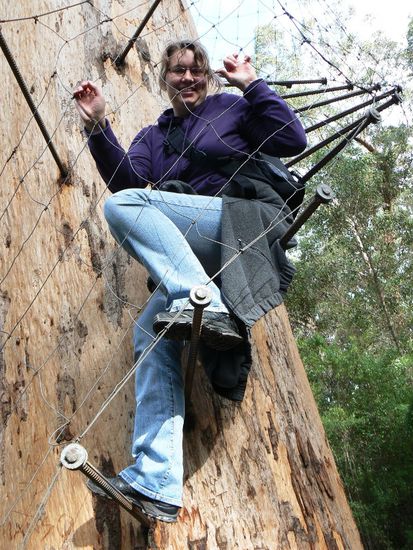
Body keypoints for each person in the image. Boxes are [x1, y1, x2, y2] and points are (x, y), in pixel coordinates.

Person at [73, 39, 307, 523]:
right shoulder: (153, 137)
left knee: (123, 208)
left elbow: (292, 140)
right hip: (194, 247)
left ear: (209, 77)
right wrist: (98, 126)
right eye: (178, 70)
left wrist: (252, 84)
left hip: (241, 222)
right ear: (164, 78)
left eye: (197, 70)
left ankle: (207, 304)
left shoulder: (231, 109)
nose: (188, 77)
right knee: (150, 330)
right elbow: (126, 182)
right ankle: (156, 481)